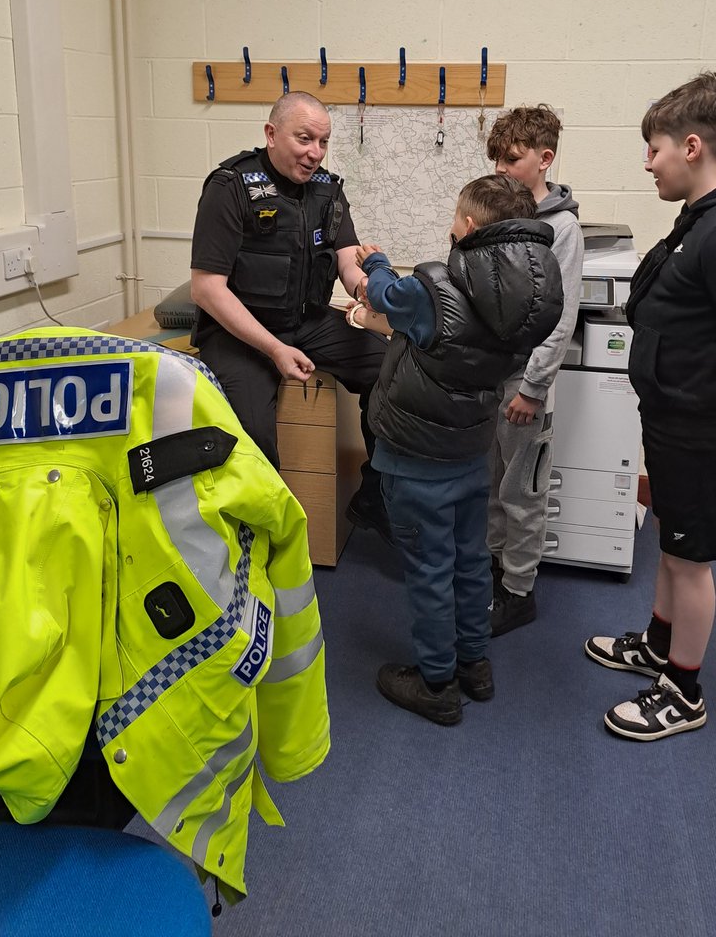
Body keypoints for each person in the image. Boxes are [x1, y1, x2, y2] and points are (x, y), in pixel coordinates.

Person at [584, 72, 716, 741]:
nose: (647, 163)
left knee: (689, 556)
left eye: (654, 150)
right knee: (674, 546)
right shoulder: (700, 220)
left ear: (692, 145)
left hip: (703, 422)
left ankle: (683, 689)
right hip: (677, 413)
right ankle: (657, 644)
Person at [356, 175, 564, 725]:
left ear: (468, 227)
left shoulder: (431, 291)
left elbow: (381, 296)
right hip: (472, 454)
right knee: (472, 564)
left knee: (428, 568)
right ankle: (475, 664)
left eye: (454, 219)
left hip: (414, 459)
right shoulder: (524, 303)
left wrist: (376, 263)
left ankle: (436, 684)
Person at [189, 91, 389, 538]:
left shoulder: (327, 189)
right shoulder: (230, 186)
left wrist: (365, 288)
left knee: (393, 368)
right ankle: (262, 541)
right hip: (239, 333)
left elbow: (345, 258)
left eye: (322, 141)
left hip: (306, 321)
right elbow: (206, 289)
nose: (314, 153)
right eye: (304, 139)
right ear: (271, 134)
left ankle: (376, 491)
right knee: (253, 434)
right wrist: (275, 348)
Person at [484, 105, 584, 633]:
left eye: (513, 159)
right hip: (490, 377)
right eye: (497, 157)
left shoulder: (561, 229)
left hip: (525, 385)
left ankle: (519, 591)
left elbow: (559, 319)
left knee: (523, 490)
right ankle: (497, 569)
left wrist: (533, 386)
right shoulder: (503, 215)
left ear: (545, 159)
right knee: (493, 482)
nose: (501, 168)